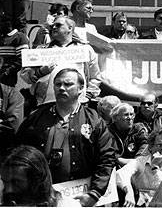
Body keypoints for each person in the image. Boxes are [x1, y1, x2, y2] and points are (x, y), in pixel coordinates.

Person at [16, 68, 117, 207]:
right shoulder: (36, 117)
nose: (62, 88)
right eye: (58, 84)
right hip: (41, 197)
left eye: (68, 84)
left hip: (80, 198)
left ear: (81, 88)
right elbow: (19, 153)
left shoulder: (94, 120)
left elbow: (107, 158)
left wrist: (95, 193)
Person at [19, 15, 102, 105]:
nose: (54, 27)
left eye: (58, 25)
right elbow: (25, 76)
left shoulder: (85, 50)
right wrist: (40, 72)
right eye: (52, 26)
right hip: (45, 104)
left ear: (70, 28)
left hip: (77, 104)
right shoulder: (41, 50)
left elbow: (95, 77)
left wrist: (88, 95)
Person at [117, 128, 162, 207]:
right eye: (159, 145)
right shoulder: (140, 162)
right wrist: (129, 191)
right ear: (150, 147)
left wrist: (155, 168)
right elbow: (120, 174)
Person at [0, 12, 26, 85]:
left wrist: (7, 72)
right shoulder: (1, 38)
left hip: (8, 78)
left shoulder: (19, 37)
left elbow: (22, 59)